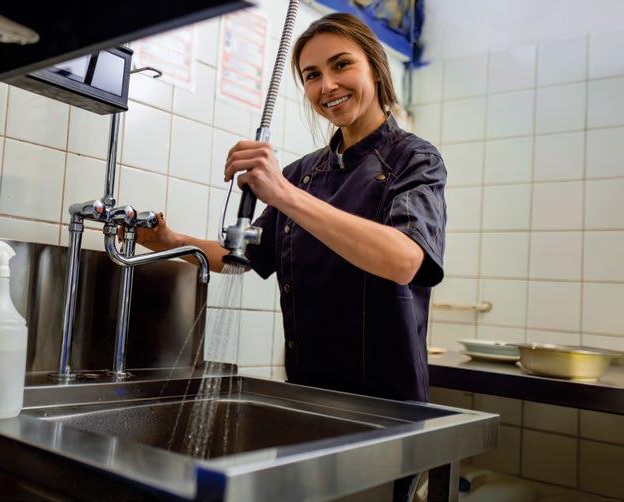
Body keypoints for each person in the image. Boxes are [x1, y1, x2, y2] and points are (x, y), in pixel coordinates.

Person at [139, 16, 446, 496]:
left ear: (375, 67)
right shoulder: (305, 173)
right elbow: (242, 257)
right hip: (307, 403)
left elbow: (404, 260)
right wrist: (168, 240)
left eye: (341, 65)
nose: (327, 85)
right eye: (311, 75)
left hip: (385, 415)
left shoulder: (414, 159)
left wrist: (283, 193)